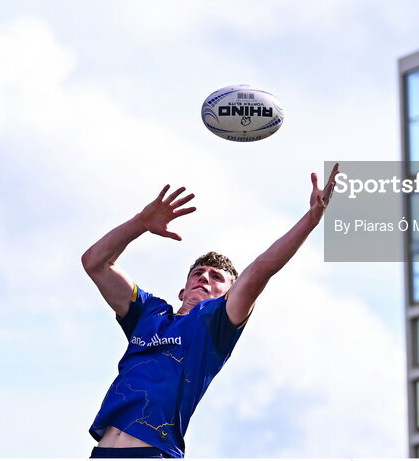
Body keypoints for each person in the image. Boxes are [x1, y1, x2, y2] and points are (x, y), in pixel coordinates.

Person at [81, 164, 340, 458]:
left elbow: (261, 269)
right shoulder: (148, 313)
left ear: (230, 295)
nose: (205, 277)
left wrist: (311, 219)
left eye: (217, 277)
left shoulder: (216, 323)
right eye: (199, 273)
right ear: (183, 289)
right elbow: (95, 263)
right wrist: (141, 222)